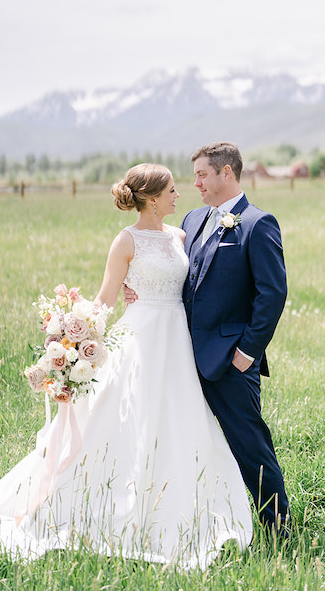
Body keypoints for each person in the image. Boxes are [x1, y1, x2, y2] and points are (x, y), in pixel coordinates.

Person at [0, 163, 252, 581]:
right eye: (173, 189)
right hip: (139, 339)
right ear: (152, 198)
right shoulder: (126, 241)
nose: (180, 195)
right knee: (121, 423)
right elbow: (104, 301)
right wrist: (68, 343)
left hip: (176, 341)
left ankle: (177, 508)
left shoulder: (180, 237)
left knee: (178, 423)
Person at [126, 142, 290, 534]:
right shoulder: (192, 219)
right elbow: (176, 274)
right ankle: (197, 520)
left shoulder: (256, 223)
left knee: (249, 444)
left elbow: (273, 294)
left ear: (226, 173)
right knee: (186, 439)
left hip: (231, 360)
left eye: (202, 174)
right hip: (181, 355)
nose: (195, 182)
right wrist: (139, 291)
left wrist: (247, 352)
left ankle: (277, 525)